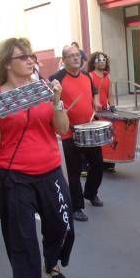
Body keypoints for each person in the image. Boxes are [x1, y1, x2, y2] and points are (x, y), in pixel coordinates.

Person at [0, 38, 74, 278]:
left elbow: (63, 129)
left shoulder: (44, 88)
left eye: (32, 56)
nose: (31, 60)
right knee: (23, 240)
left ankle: (52, 262)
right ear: (7, 62)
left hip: (51, 170)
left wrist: (57, 103)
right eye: (23, 57)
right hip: (15, 176)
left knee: (63, 225)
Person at [49, 44, 101, 222]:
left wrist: (96, 103)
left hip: (89, 129)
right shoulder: (56, 78)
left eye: (77, 55)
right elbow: (51, 102)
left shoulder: (87, 75)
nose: (76, 58)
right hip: (70, 132)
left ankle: (91, 193)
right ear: (63, 60)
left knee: (98, 164)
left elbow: (94, 92)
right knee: (74, 171)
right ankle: (77, 207)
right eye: (71, 56)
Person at [88, 51, 116, 172]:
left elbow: (111, 94)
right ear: (93, 62)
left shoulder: (107, 77)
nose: (102, 62)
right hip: (93, 113)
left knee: (108, 137)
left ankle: (109, 163)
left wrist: (113, 105)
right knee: (94, 139)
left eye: (104, 60)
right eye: (99, 60)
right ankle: (90, 164)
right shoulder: (89, 76)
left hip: (105, 111)